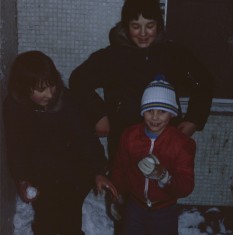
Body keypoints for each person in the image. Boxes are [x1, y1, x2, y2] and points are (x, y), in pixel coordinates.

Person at [69, 0, 213, 163]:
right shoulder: (111, 57)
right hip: (123, 141)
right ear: (125, 26)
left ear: (158, 25)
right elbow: (78, 80)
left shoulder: (174, 55)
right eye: (136, 26)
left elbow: (204, 81)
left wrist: (194, 119)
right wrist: (99, 115)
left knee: (163, 183)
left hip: (165, 141)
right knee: (125, 185)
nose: (143, 33)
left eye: (150, 26)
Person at [3, 50, 117, 235]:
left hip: (73, 170)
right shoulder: (14, 107)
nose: (49, 94)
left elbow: (85, 138)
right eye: (41, 90)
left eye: (52, 85)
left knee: (68, 220)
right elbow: (15, 146)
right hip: (41, 173)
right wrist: (22, 178)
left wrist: (97, 170)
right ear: (24, 89)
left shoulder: (66, 102)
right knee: (45, 220)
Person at [110, 78, 196, 235]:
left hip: (164, 210)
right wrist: (117, 196)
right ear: (143, 111)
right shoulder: (130, 136)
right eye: (150, 111)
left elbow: (186, 186)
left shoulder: (182, 143)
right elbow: (120, 168)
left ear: (171, 113)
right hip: (134, 207)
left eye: (162, 111)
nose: (155, 117)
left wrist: (164, 176)